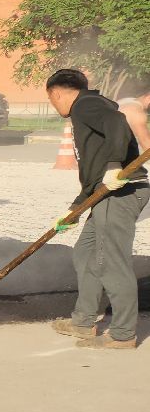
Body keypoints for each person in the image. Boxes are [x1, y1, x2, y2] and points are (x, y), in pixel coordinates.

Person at [45, 68, 146, 350]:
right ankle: (83, 321)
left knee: (110, 262)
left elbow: (117, 122)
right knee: (86, 253)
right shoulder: (89, 107)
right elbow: (94, 173)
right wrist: (75, 209)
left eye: (52, 100)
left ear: (56, 93)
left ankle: (123, 334)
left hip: (121, 193)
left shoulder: (86, 105)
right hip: (104, 194)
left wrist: (115, 165)